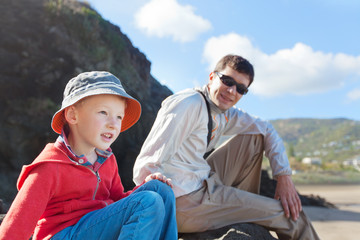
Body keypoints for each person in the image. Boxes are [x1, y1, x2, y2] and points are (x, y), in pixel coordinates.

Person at [133, 54, 320, 239]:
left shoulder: (225, 113)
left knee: (255, 137)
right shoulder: (188, 103)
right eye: (228, 81)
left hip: (203, 182)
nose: (232, 91)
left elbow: (267, 129)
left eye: (241, 89)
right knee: (292, 217)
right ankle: (245, 211)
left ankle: (243, 211)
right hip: (184, 201)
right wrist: (158, 218)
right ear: (212, 77)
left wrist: (284, 176)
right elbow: (147, 163)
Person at [0, 71, 178, 240]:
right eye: (103, 113)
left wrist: (143, 188)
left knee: (160, 190)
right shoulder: (50, 165)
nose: (113, 124)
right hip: (61, 234)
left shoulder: (107, 159)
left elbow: (118, 202)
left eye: (118, 117)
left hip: (95, 227)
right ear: (72, 115)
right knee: (147, 201)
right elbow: (16, 225)